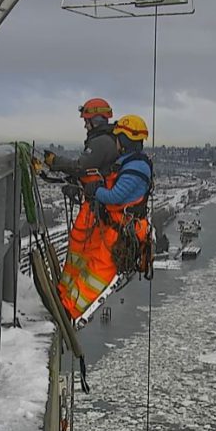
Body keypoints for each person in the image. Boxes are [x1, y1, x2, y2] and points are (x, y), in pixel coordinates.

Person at [58, 115, 153, 321]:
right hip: (114, 226)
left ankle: (69, 310)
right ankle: (64, 296)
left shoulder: (136, 168)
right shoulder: (128, 162)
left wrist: (96, 191)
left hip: (122, 231)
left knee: (97, 273)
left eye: (117, 138)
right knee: (85, 260)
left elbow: (114, 197)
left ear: (124, 140)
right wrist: (86, 185)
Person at [43, 98, 119, 178]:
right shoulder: (110, 137)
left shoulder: (101, 141)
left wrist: (55, 161)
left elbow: (80, 167)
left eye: (86, 122)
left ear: (95, 121)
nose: (85, 126)